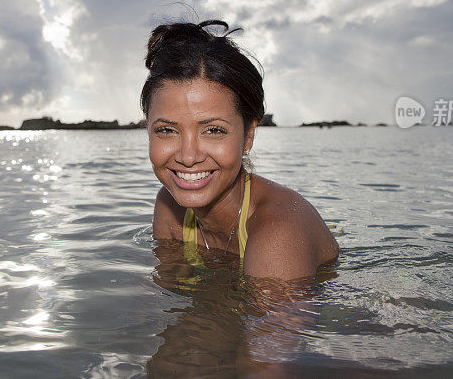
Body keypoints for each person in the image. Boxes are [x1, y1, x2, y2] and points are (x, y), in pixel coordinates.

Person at [142, 20, 339, 281]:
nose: (187, 157)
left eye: (213, 130)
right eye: (167, 130)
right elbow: (169, 294)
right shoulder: (169, 205)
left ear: (248, 136)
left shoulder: (279, 232)